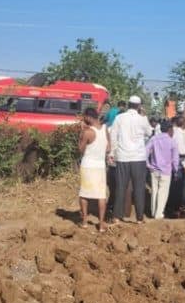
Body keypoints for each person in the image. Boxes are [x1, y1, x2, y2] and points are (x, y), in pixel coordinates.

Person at [109, 95, 153, 224]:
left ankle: (116, 216)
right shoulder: (142, 119)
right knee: (139, 188)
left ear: (128, 104)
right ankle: (139, 218)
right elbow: (150, 133)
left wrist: (112, 152)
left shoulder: (119, 118)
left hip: (122, 157)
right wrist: (145, 116)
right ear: (139, 106)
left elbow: (113, 136)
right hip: (138, 157)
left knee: (121, 187)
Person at [77, 107, 109, 232]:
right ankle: (101, 224)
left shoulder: (88, 132)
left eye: (84, 117)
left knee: (84, 194)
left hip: (88, 165)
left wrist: (82, 132)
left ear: (89, 117)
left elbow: (80, 149)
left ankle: (84, 221)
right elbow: (108, 148)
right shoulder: (105, 129)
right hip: (100, 166)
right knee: (101, 195)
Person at [146, 120, 179, 219]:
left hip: (154, 169)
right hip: (166, 171)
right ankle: (159, 213)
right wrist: (175, 170)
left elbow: (145, 151)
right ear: (169, 129)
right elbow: (175, 159)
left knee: (155, 191)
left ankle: (153, 212)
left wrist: (148, 165)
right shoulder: (172, 141)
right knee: (163, 192)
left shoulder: (154, 139)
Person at [169, 115, 185, 216]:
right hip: (178, 163)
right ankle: (176, 209)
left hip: (172, 162)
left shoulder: (173, 132)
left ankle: (172, 208)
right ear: (183, 123)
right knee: (178, 187)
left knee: (173, 186)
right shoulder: (179, 134)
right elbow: (181, 151)